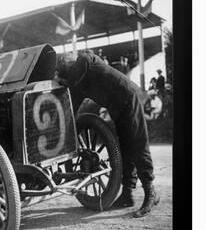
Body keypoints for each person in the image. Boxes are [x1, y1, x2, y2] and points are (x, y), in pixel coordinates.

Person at [56, 50, 160, 217]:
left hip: (129, 97)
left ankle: (150, 192)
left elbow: (79, 68)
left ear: (70, 64)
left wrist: (65, 81)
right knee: (125, 149)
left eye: (65, 70)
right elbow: (71, 111)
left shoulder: (85, 59)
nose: (66, 75)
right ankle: (127, 195)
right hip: (117, 108)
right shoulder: (77, 84)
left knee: (138, 146)